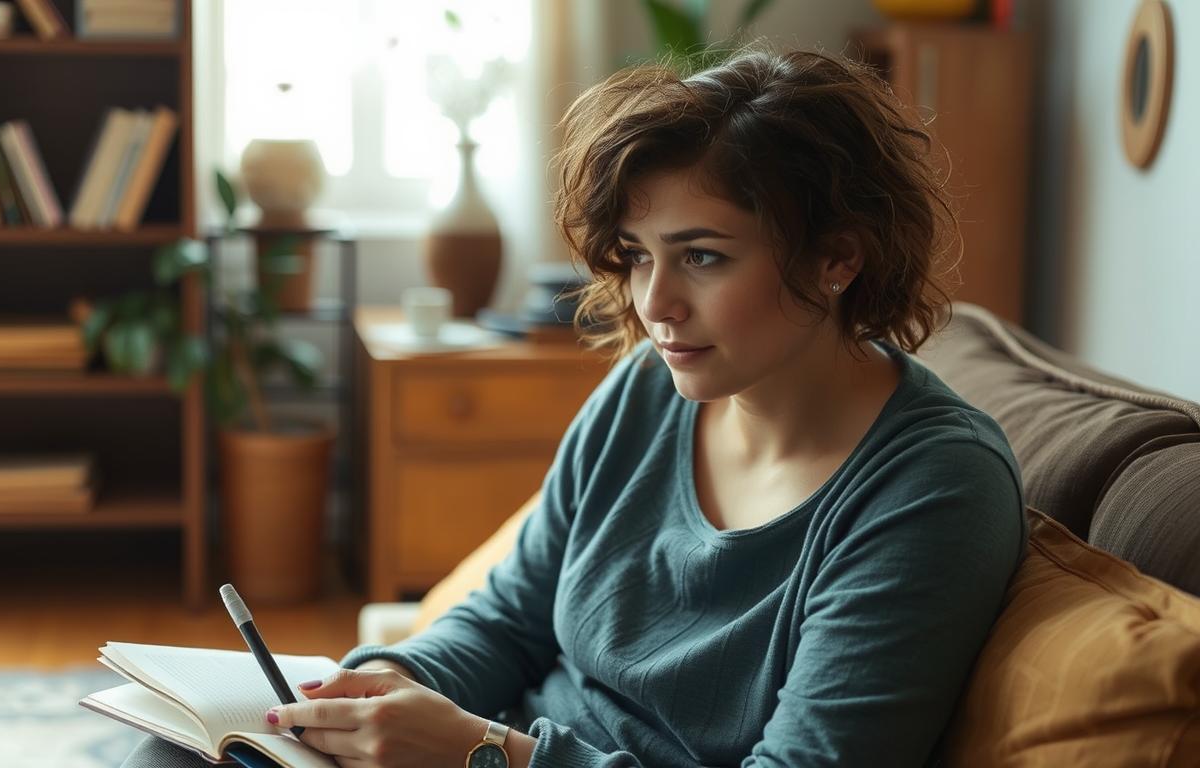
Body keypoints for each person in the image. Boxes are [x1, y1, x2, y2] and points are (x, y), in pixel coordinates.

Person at [122, 44, 1027, 768]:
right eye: (636, 254)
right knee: (166, 758)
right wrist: (381, 687)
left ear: (840, 258)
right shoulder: (649, 387)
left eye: (702, 256)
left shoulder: (931, 488)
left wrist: (485, 754)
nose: (654, 304)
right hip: (496, 742)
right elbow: (513, 612)